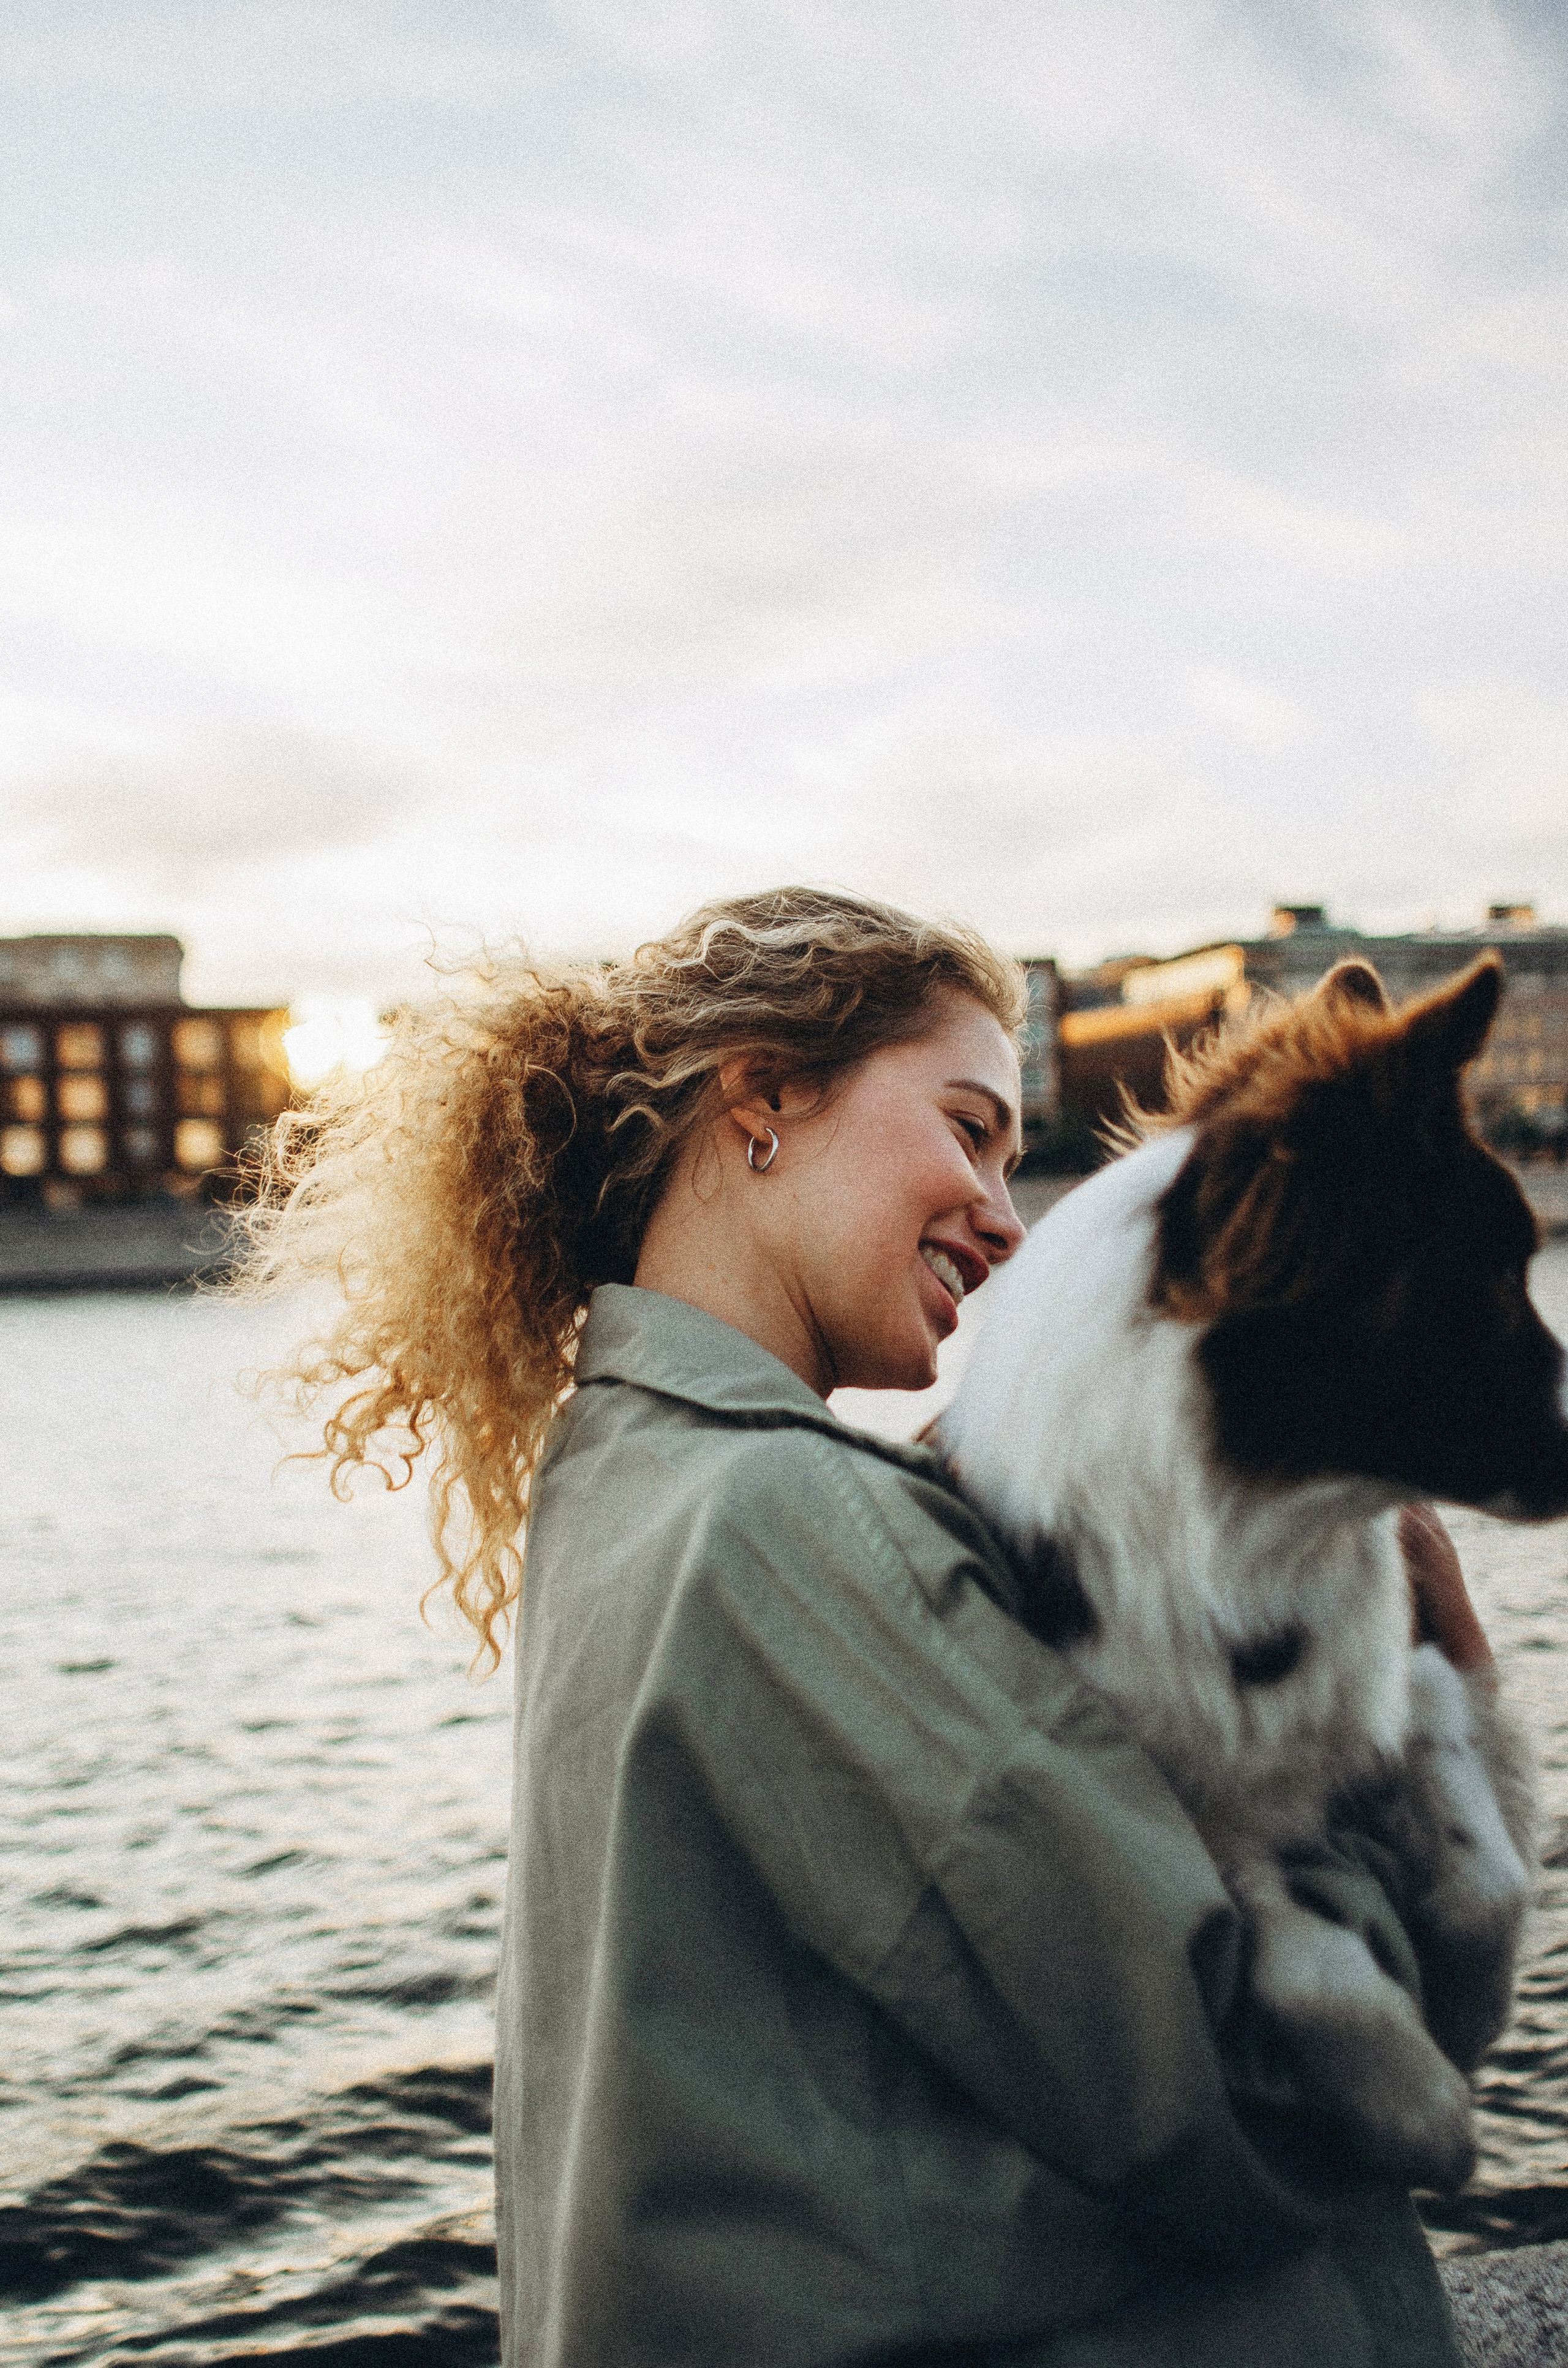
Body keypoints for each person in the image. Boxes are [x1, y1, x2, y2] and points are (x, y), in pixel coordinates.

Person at [248, 887, 1499, 2367]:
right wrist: (1432, 1697)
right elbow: (1263, 2092)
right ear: (763, 1097)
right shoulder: (798, 1521)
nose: (1006, 1221)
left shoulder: (631, 1477)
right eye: (970, 1128)